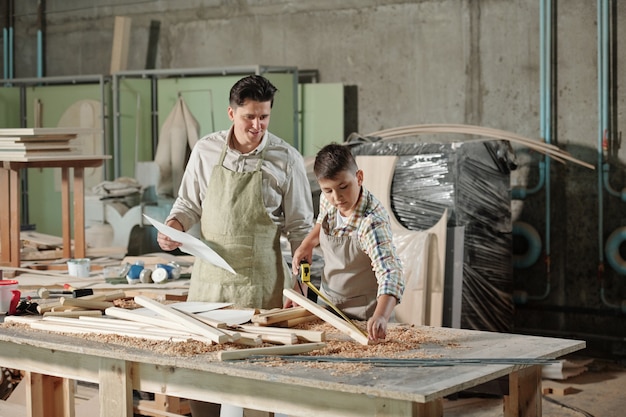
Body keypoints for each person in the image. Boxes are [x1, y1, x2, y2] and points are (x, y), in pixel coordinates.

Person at [157, 74, 313, 417]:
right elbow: (187, 206)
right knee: (202, 381)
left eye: (264, 117)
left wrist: (304, 282)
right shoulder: (205, 150)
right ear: (231, 113)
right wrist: (172, 228)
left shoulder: (286, 157)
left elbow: (301, 228)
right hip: (209, 290)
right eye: (249, 117)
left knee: (259, 385)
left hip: (262, 290)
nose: (257, 125)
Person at [290, 143, 404, 342]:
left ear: (359, 177)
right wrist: (307, 244)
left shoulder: (371, 222)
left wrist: (381, 316)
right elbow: (321, 221)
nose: (337, 198)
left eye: (343, 187)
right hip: (328, 308)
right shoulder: (330, 199)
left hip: (363, 318)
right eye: (327, 190)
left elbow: (390, 272)